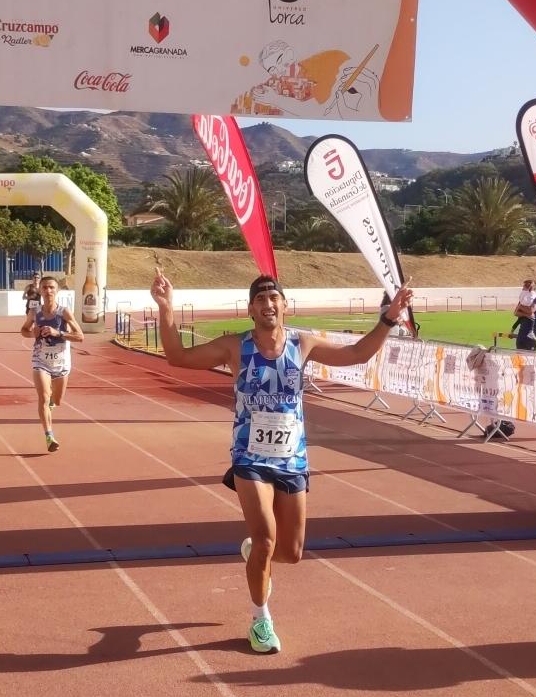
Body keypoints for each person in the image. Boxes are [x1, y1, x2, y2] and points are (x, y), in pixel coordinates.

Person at [151, 269, 412, 655]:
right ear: (250, 309)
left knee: (290, 552)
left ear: (285, 306)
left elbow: (357, 354)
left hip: (292, 458)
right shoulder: (235, 347)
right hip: (249, 456)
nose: (267, 304)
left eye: (274, 298)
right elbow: (177, 357)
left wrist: (389, 318)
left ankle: (255, 553)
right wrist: (166, 308)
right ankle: (260, 619)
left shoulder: (302, 343)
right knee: (265, 540)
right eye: (260, 299)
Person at [20, 275, 83, 452]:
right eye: (45, 287)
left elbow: (80, 337)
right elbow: (24, 330)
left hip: (61, 363)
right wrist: (32, 333)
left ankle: (51, 405)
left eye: (51, 287)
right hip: (41, 361)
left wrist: (58, 333)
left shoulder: (64, 312)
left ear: (57, 291)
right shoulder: (34, 313)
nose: (48, 291)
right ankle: (49, 436)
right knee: (44, 397)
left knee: (57, 400)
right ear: (40, 290)